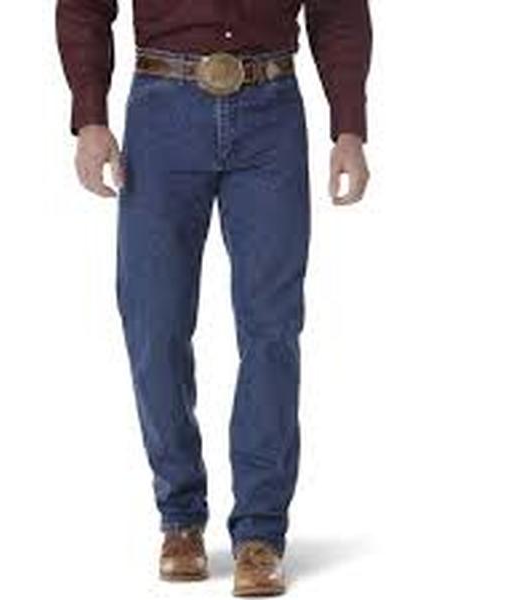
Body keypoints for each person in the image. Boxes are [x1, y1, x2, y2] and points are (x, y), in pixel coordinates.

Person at [55, 0, 372, 595]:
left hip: (271, 111)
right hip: (162, 110)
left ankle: (261, 532)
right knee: (153, 322)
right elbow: (83, 6)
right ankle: (179, 517)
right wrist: (90, 118)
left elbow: (339, 11)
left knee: (272, 328)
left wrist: (348, 127)